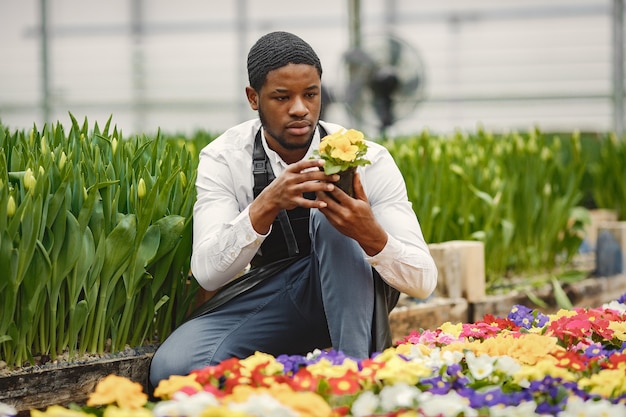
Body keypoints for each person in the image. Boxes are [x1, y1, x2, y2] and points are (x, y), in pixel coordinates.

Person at [149, 31, 437, 386]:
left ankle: (352, 378)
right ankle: (296, 370)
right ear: (253, 98)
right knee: (175, 368)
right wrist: (266, 204)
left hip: (355, 298)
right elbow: (208, 272)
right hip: (275, 295)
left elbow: (424, 282)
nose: (300, 108)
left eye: (311, 94)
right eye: (282, 97)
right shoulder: (224, 158)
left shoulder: (369, 159)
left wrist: (370, 234)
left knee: (334, 218)